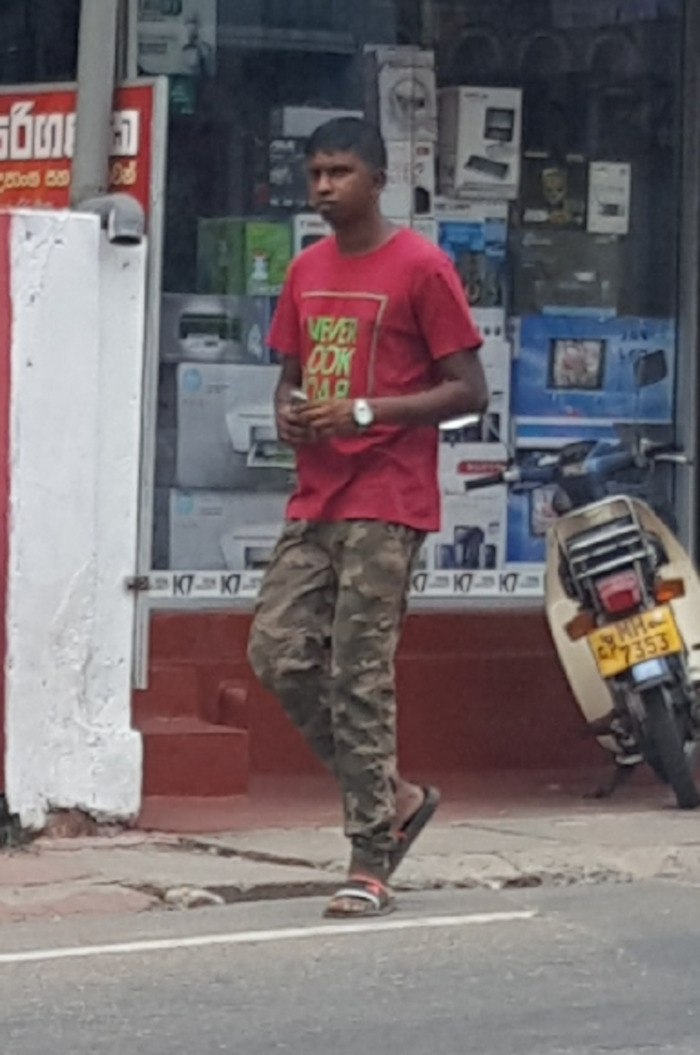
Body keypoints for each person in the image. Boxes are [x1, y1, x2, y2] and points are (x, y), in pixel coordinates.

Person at [247, 117, 488, 918]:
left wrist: (366, 410)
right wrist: (287, 411)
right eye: (316, 173)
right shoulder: (306, 269)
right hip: (316, 495)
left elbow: (469, 390)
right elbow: (290, 373)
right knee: (277, 651)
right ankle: (393, 792)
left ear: (378, 178)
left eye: (340, 172)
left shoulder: (423, 267)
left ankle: (369, 859)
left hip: (389, 498)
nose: (323, 187)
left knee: (359, 673)